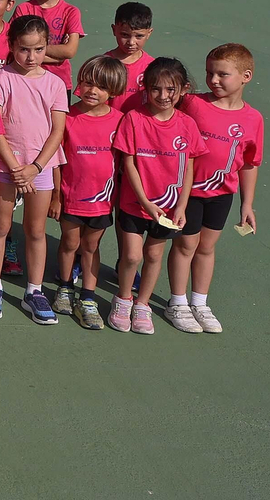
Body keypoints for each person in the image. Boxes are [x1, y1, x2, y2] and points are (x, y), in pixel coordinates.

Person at [167, 44, 265, 334]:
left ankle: (199, 302)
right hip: (188, 192)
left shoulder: (253, 119)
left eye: (223, 74)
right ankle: (177, 303)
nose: (214, 80)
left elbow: (249, 163)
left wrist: (246, 205)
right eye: (210, 73)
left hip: (222, 194)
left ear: (245, 76)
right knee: (185, 245)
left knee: (207, 248)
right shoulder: (193, 104)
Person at [0, 15, 68, 324]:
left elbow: (57, 132)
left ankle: (34, 290)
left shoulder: (55, 84)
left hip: (40, 168)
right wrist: (16, 167)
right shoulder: (0, 79)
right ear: (11, 46)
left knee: (35, 230)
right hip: (7, 166)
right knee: (1, 226)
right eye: (23, 49)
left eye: (39, 49)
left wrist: (35, 167)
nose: (31, 57)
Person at [111, 58, 205, 335]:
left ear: (183, 90)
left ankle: (142, 305)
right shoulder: (134, 119)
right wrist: (144, 202)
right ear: (145, 88)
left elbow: (188, 167)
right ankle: (123, 300)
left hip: (168, 209)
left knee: (153, 255)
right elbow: (128, 163)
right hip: (134, 204)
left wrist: (182, 206)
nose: (163, 96)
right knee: (131, 256)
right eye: (156, 89)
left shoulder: (187, 125)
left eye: (170, 90)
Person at [54, 55, 129, 331]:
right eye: (86, 83)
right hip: (70, 198)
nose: (91, 91)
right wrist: (55, 197)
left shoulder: (121, 121)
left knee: (91, 247)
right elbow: (57, 160)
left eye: (99, 86)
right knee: (69, 244)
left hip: (102, 202)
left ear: (114, 91)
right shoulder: (67, 118)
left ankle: (87, 297)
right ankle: (64, 288)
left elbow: (126, 164)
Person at [13, 0, 84, 90]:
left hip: (59, 82)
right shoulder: (24, 9)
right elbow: (14, 49)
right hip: (25, 80)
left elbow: (69, 51)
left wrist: (30, 50)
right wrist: (58, 56)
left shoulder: (71, 12)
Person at [103, 2, 156, 109]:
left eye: (139, 36)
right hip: (112, 124)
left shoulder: (153, 67)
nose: (131, 42)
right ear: (114, 30)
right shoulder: (102, 64)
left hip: (139, 124)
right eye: (124, 35)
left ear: (149, 33)